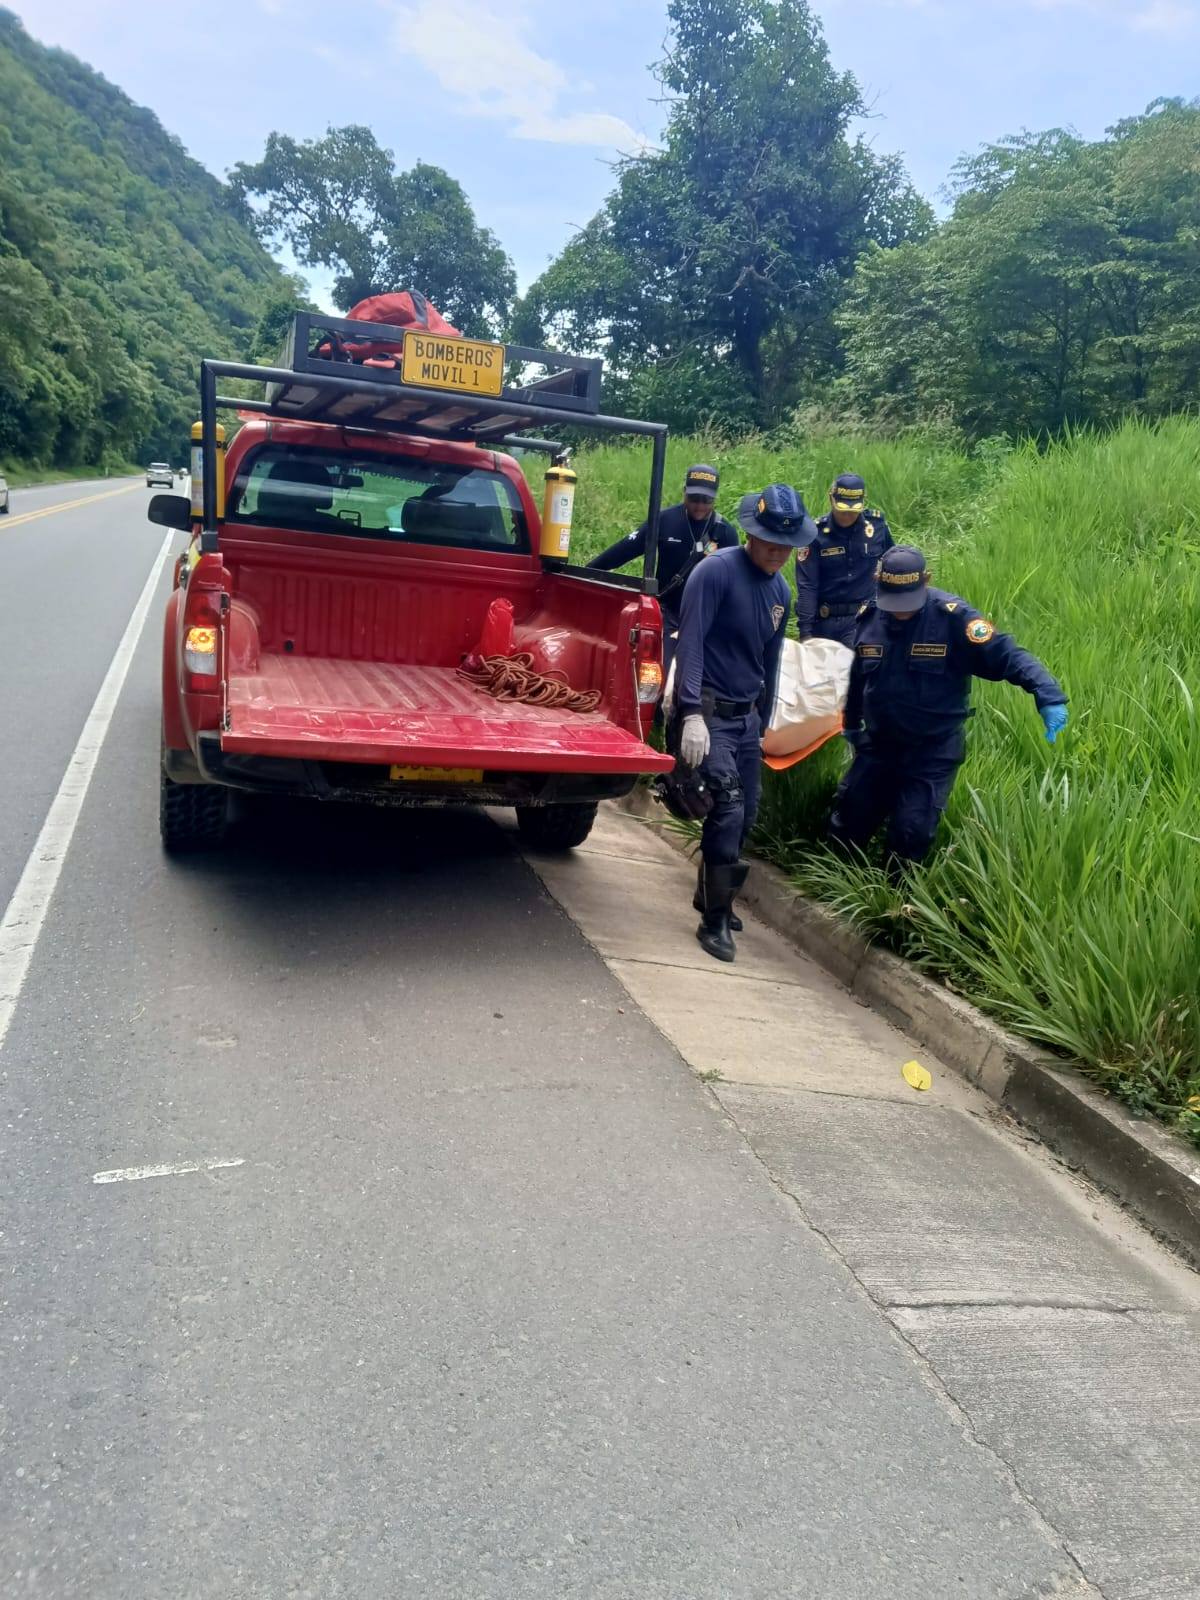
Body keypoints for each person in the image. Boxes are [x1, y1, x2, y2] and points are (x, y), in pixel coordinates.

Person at [831, 545, 1068, 871]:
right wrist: (852, 722)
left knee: (909, 834)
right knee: (848, 820)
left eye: (907, 603)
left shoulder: (954, 619)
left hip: (931, 752)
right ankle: (839, 887)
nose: (900, 611)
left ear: (926, 581)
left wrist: (1047, 693)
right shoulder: (870, 617)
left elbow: (1007, 655)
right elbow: (859, 676)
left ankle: (894, 904)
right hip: (879, 745)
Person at [673, 484, 818, 962]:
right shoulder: (715, 572)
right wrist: (690, 712)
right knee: (727, 806)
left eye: (787, 545)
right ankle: (714, 921)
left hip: (746, 718)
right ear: (752, 535)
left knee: (747, 814)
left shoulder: (780, 590)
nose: (779, 553)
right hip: (709, 712)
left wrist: (765, 719)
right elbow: (690, 641)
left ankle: (710, 893)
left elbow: (770, 661)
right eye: (770, 542)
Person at [588, 464, 739, 676]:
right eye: (694, 498)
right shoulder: (664, 520)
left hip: (705, 615)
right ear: (683, 491)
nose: (699, 506)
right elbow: (623, 550)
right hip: (667, 610)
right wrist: (587, 572)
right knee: (661, 670)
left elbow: (735, 582)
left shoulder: (725, 532)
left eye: (707, 500)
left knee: (702, 672)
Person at [795, 472, 894, 647]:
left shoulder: (876, 527)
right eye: (842, 509)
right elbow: (807, 585)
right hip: (824, 621)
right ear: (831, 499)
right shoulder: (814, 534)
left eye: (853, 510)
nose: (847, 515)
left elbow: (892, 565)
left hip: (863, 619)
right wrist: (805, 633)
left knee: (854, 671)